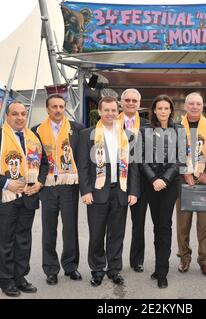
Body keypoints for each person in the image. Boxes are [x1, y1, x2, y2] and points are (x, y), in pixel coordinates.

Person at [0, 101, 49, 297]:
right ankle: (6, 280)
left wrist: (40, 182)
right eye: (15, 114)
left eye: (23, 114)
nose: (19, 117)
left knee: (23, 240)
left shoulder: (34, 138)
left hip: (28, 196)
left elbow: (44, 164)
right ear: (7, 116)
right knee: (4, 240)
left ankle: (20, 277)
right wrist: (6, 183)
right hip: (3, 196)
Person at [78, 96, 140, 287]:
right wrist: (85, 190)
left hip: (120, 191)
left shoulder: (128, 135)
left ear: (118, 110)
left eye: (114, 110)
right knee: (96, 234)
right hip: (97, 192)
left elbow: (134, 166)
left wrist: (134, 191)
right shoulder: (88, 134)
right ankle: (97, 270)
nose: (111, 114)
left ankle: (114, 270)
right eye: (107, 110)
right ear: (100, 111)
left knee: (117, 234)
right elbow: (83, 165)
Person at [31, 94, 84, 286]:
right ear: (47, 109)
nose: (58, 110)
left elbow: (82, 158)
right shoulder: (36, 131)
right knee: (49, 230)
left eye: (61, 106)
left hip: (69, 185)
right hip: (48, 186)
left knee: (70, 229)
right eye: (54, 107)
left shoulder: (76, 129)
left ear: (65, 107)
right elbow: (33, 161)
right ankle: (51, 269)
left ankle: (70, 266)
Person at [140, 95, 186, 288]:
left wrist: (164, 179)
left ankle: (162, 271)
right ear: (154, 110)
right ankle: (159, 266)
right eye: (160, 108)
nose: (163, 111)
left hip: (170, 185)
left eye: (166, 108)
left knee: (164, 226)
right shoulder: (145, 130)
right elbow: (140, 158)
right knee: (156, 225)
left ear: (171, 111)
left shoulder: (180, 130)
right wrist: (153, 179)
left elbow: (180, 158)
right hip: (151, 185)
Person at [176, 92, 206, 276]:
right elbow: (172, 153)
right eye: (191, 104)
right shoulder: (177, 127)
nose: (194, 107)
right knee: (182, 225)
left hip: (205, 183)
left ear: (203, 106)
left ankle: (205, 260)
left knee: (205, 226)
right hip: (183, 183)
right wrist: (184, 171)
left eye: (198, 104)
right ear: (185, 106)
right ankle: (184, 258)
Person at [118, 88, 150, 273]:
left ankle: (137, 260)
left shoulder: (146, 125)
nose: (130, 103)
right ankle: (114, 260)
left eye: (134, 100)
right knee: (117, 224)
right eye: (127, 100)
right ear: (121, 102)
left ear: (139, 103)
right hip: (117, 180)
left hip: (142, 181)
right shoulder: (110, 122)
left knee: (139, 223)